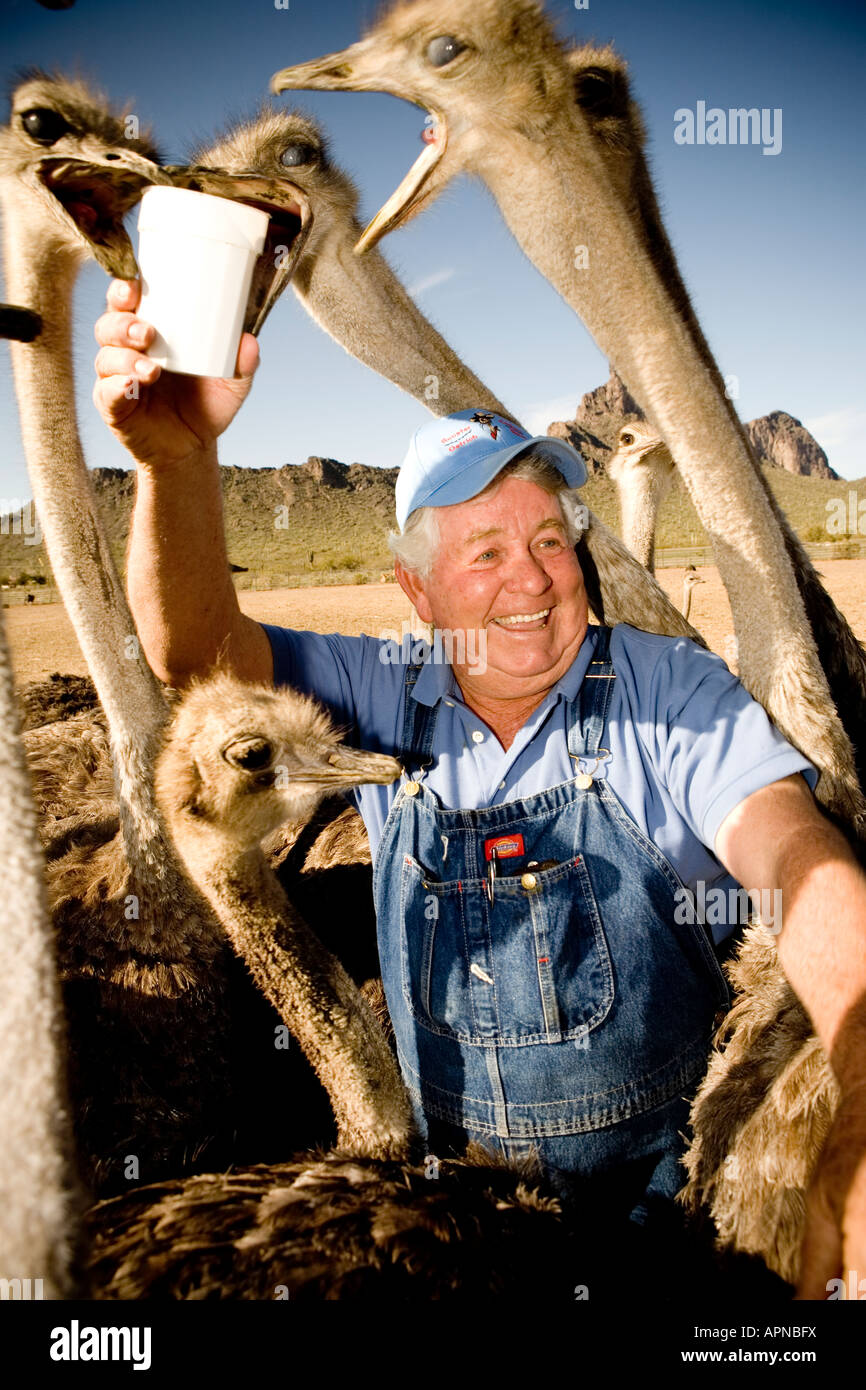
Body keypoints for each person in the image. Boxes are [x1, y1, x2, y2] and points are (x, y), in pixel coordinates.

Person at [93, 280, 866, 1297]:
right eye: (487, 551)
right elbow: (193, 648)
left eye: (550, 540)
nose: (533, 579)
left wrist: (857, 1097)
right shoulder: (375, 690)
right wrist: (175, 460)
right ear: (417, 590)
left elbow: (795, 859)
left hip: (666, 1231)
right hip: (446, 1228)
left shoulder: (668, 690)